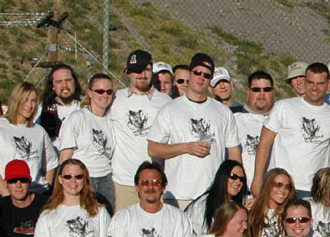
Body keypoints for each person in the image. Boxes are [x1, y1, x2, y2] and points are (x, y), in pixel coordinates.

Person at [147, 52, 242, 214]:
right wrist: (185, 147)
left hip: (213, 193)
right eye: (197, 72)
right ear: (190, 74)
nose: (201, 78)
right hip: (179, 194)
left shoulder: (223, 112)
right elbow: (153, 149)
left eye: (206, 75)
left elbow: (234, 153)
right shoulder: (170, 109)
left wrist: (236, 186)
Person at [254, 62, 330, 200]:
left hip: (313, 190)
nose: (314, 88)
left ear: (328, 84)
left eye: (320, 83)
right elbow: (264, 144)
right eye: (310, 82)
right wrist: (257, 179)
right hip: (281, 186)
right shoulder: (284, 107)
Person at [107, 49, 172, 211]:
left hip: (155, 183)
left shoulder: (166, 102)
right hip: (123, 184)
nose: (142, 75)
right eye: (137, 70)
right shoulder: (115, 99)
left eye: (146, 70)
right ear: (128, 73)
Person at [0, 82, 58, 201]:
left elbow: (51, 163)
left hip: (34, 195)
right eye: (25, 100)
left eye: (33, 101)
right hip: (3, 196)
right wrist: (7, 196)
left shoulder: (39, 131)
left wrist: (45, 190)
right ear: (16, 100)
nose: (29, 105)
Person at [56, 72, 117, 208]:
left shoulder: (110, 121)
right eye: (100, 91)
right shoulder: (78, 117)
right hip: (83, 178)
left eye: (108, 91)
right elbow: (65, 156)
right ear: (90, 93)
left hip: (106, 178)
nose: (104, 95)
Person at [192, 160, 248, 237]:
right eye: (233, 177)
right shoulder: (203, 204)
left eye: (242, 179)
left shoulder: (242, 204)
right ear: (223, 176)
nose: (238, 182)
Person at [247, 168, 296, 237]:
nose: (283, 190)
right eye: (278, 185)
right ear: (268, 185)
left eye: (287, 187)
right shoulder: (252, 211)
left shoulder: (289, 214)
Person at [235, 71, 276, 166]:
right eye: (256, 89)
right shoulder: (232, 116)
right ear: (248, 92)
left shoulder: (282, 119)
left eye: (267, 89)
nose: (262, 93)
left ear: (273, 92)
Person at [37, 63, 83, 141]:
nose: (64, 85)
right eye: (59, 82)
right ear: (52, 86)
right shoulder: (43, 109)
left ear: (74, 82)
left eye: (68, 80)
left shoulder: (86, 106)